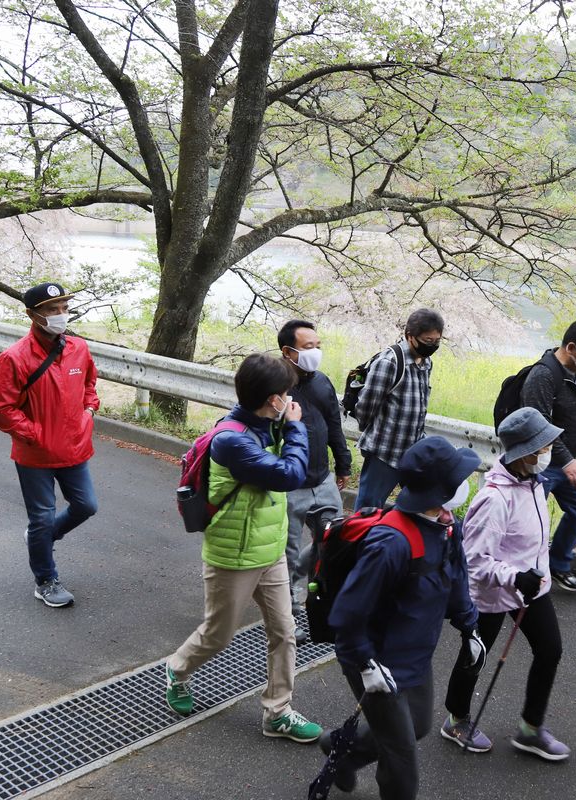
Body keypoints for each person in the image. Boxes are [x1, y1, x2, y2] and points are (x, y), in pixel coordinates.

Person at [162, 354, 323, 744]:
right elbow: (289, 475)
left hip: (268, 552)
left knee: (284, 632)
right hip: (233, 555)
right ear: (272, 399)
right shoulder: (232, 439)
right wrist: (297, 429)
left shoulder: (268, 424)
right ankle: (178, 669)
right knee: (219, 633)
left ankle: (278, 712)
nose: (290, 399)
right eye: (285, 393)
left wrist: (286, 428)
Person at [325, 436, 484, 799]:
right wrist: (365, 663)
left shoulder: (446, 526)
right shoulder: (391, 543)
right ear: (437, 490)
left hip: (415, 652)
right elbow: (348, 612)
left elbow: (456, 577)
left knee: (417, 726)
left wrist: (469, 626)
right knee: (401, 758)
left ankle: (342, 753)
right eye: (457, 478)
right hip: (377, 659)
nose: (465, 484)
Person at [442, 406, 571, 761]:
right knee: (475, 656)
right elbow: (475, 561)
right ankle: (456, 719)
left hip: (531, 590)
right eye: (542, 446)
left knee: (550, 650)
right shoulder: (494, 499)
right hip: (492, 594)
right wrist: (515, 576)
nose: (548, 451)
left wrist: (531, 576)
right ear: (525, 453)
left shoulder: (533, 482)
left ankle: (530, 729)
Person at [0, 282, 99, 609]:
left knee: (86, 506)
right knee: (42, 517)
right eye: (52, 310)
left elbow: (90, 383)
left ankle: (43, 538)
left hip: (75, 448)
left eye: (64, 309)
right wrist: (35, 433)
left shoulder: (78, 348)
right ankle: (46, 580)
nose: (61, 315)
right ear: (33, 315)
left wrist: (89, 410)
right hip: (34, 454)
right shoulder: (14, 358)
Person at [278, 319, 351, 643]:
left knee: (333, 543)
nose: (316, 353)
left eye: (318, 346)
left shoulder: (322, 383)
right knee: (289, 554)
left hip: (322, 482)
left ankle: (327, 605)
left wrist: (343, 464)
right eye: (309, 348)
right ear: (288, 352)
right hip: (290, 486)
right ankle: (291, 618)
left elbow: (334, 426)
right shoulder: (275, 388)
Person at [520, 319, 576, 592]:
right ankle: (525, 574)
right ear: (571, 347)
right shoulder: (542, 377)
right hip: (543, 463)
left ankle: (557, 563)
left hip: (573, 458)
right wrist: (566, 459)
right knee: (533, 524)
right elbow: (539, 427)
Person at [352, 309, 443, 510]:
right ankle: (359, 541)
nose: (433, 346)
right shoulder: (389, 362)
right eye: (428, 340)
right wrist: (375, 432)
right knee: (368, 510)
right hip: (385, 452)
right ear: (410, 336)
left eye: (437, 341)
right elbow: (366, 406)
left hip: (412, 451)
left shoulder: (426, 362)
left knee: (417, 507)